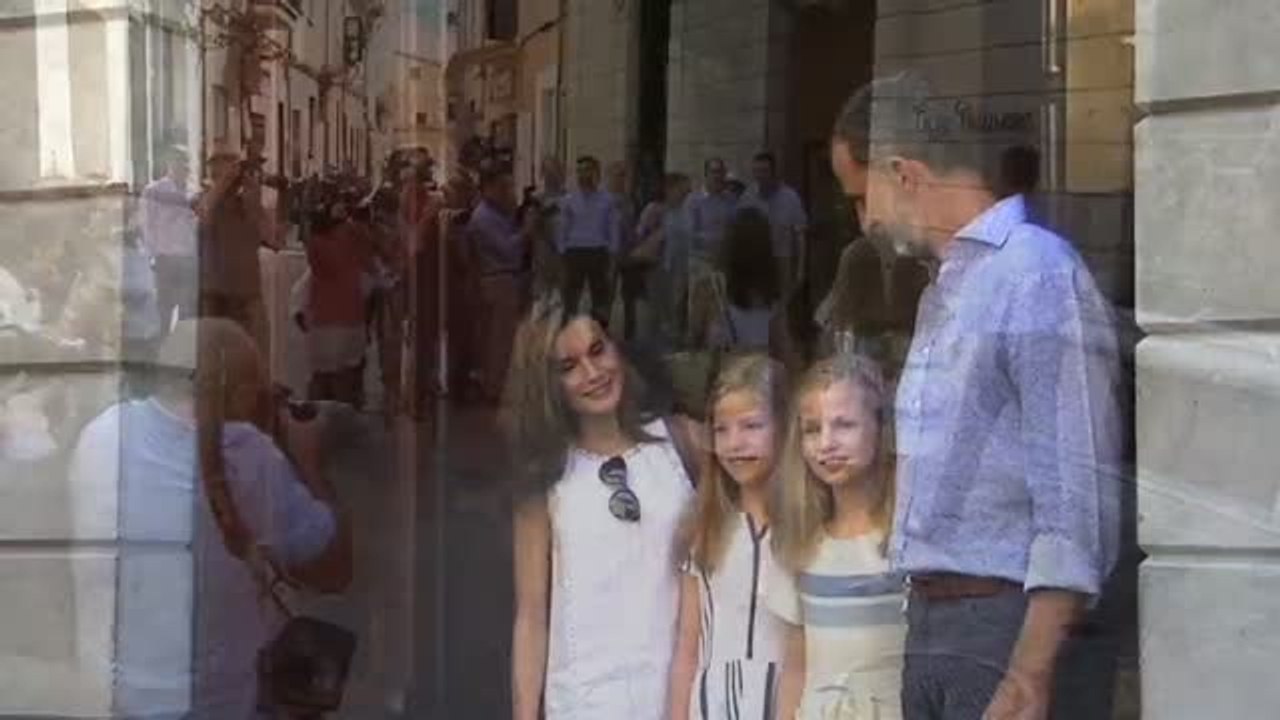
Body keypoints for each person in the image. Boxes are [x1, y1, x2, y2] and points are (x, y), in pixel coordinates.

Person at [832, 74, 1123, 719]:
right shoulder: (948, 289)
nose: (863, 221)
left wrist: (1030, 669)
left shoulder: (1036, 273)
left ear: (903, 173)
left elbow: (1076, 495)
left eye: (860, 197)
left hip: (1005, 625)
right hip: (939, 620)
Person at [68, 318, 352, 718]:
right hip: (220, 706)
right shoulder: (251, 456)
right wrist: (307, 459)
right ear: (242, 394)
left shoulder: (101, 433)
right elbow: (334, 571)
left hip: (115, 698)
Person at [507, 295, 699, 720]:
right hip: (583, 699)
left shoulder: (682, 440)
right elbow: (532, 614)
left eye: (598, 350)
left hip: (680, 694)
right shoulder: (545, 479)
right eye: (568, 366)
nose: (593, 373)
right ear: (546, 383)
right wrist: (524, 712)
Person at [768, 355, 905, 720]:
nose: (826, 443)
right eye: (812, 429)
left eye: (844, 425)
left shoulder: (907, 539)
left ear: (880, 427)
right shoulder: (800, 544)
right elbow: (796, 667)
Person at [667, 355, 788, 719]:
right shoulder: (704, 528)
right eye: (722, 429)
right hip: (713, 706)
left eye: (751, 425)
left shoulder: (806, 530)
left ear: (784, 427)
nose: (735, 443)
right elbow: (688, 645)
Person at [196, 146, 275, 359]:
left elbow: (273, 238)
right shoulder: (203, 199)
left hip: (247, 294)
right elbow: (205, 213)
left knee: (252, 358)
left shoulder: (248, 205)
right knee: (212, 358)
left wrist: (254, 200)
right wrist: (224, 183)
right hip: (215, 294)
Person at [466, 167, 531, 402]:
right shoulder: (483, 217)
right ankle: (493, 390)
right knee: (498, 341)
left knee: (500, 339)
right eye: (503, 187)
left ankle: (494, 385)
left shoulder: (498, 214)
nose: (508, 192)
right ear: (489, 188)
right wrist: (527, 230)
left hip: (504, 280)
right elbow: (508, 250)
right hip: (497, 280)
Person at [305, 194, 375, 406]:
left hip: (323, 320)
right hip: (351, 318)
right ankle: (346, 418)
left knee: (321, 376)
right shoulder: (353, 236)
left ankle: (320, 420)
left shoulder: (315, 244)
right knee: (346, 376)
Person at [689, 206, 781, 353]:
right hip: (760, 374)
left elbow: (693, 343)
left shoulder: (708, 289)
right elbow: (783, 355)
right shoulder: (772, 298)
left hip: (722, 374)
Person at [140, 146, 198, 332]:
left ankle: (179, 350)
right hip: (166, 258)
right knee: (164, 309)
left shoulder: (192, 193)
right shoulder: (154, 191)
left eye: (185, 163)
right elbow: (147, 225)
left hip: (188, 259)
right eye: (177, 162)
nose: (182, 167)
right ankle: (161, 349)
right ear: (169, 164)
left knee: (187, 311)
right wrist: (152, 255)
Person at [558, 155, 620, 324]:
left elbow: (612, 228)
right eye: (580, 171)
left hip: (598, 252)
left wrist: (612, 256)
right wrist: (562, 253)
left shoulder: (607, 200)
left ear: (596, 173)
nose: (583, 175)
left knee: (600, 298)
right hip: (574, 252)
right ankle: (570, 335)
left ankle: (598, 336)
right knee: (571, 299)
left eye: (587, 170)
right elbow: (563, 229)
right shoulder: (568, 200)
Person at [635, 172, 694, 348]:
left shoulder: (685, 211)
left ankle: (670, 349)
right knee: (656, 311)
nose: (687, 193)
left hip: (680, 268)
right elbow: (639, 234)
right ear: (670, 189)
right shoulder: (654, 209)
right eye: (683, 188)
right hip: (658, 267)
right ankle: (650, 350)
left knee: (675, 311)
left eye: (688, 190)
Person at [739, 152, 807, 294]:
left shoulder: (790, 197)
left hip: (782, 260)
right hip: (756, 260)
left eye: (764, 171)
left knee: (782, 305)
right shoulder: (748, 197)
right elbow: (741, 234)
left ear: (774, 172)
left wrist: (800, 269)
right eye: (756, 171)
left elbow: (800, 235)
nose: (760, 176)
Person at [686, 157, 737, 264]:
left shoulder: (731, 199)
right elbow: (690, 236)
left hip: (727, 261)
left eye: (721, 172)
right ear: (706, 175)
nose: (717, 176)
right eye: (714, 172)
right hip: (702, 261)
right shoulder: (694, 201)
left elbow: (734, 228)